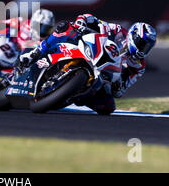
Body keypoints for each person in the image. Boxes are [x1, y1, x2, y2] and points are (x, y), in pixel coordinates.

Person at [17, 13, 157, 115]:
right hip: (88, 49)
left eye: (147, 48)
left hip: (102, 76)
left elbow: (121, 91)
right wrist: (82, 21)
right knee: (65, 27)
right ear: (134, 36)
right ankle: (34, 53)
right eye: (142, 44)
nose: (143, 50)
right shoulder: (118, 30)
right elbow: (95, 20)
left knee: (108, 107)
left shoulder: (139, 66)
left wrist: (118, 85)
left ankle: (74, 93)